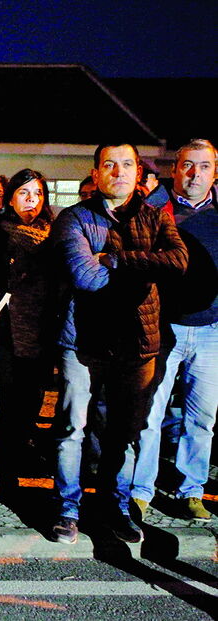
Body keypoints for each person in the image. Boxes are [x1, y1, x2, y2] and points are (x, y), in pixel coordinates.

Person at [49, 141, 187, 546]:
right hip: (81, 341)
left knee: (123, 432)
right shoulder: (73, 219)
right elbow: (84, 277)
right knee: (73, 427)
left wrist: (115, 259)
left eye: (127, 164)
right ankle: (67, 509)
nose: (119, 171)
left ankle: (116, 506)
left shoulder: (154, 217)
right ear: (96, 173)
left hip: (137, 342)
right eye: (110, 164)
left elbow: (178, 263)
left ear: (138, 173)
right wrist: (145, 268)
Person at [131, 138, 218, 522]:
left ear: (214, 172)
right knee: (150, 414)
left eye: (203, 166)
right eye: (187, 165)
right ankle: (140, 491)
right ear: (174, 169)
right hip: (164, 329)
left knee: (202, 418)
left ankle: (191, 489)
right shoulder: (154, 210)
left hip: (213, 330)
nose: (194, 173)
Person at [0, 168, 55, 507]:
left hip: (37, 335)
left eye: (36, 193)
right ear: (9, 199)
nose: (31, 199)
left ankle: (13, 476)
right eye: (23, 193)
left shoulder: (55, 237)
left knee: (24, 412)